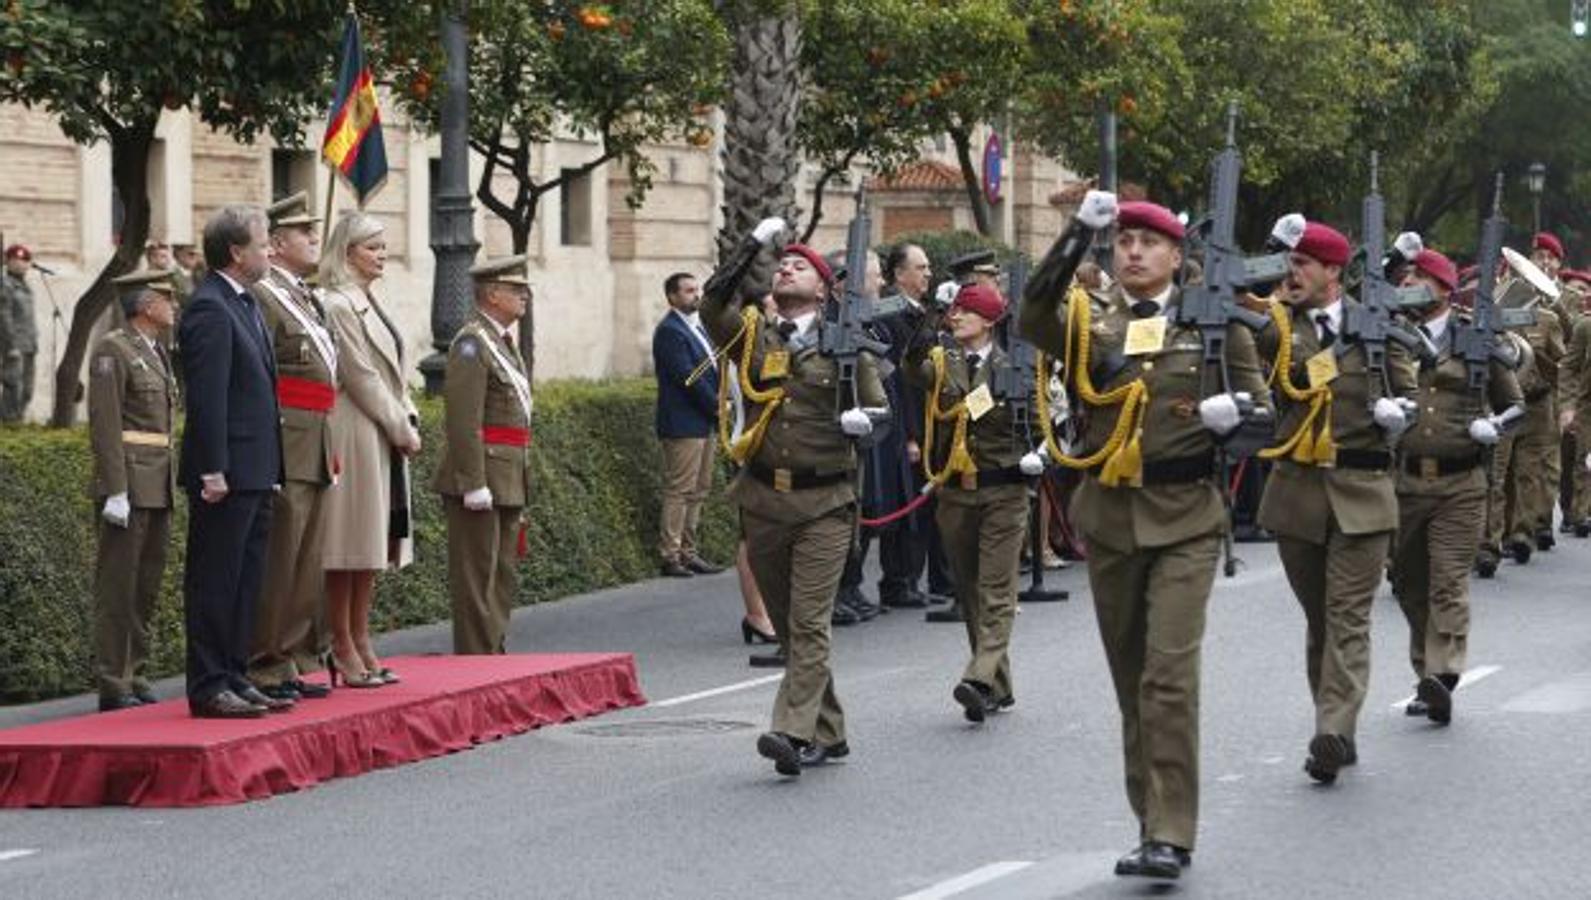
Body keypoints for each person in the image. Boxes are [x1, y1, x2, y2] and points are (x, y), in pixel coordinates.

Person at [1021, 193, 1270, 878]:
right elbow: (1031, 313)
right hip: (1108, 513)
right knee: (1131, 679)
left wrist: (1232, 419)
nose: (1132, 252)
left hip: (1186, 514)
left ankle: (1170, 831)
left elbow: (1264, 420)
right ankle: (1149, 821)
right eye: (1122, 241)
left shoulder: (1217, 326)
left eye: (1147, 243)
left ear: (1176, 256)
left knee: (1167, 676)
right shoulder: (1086, 323)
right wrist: (1076, 234)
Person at [700, 218, 889, 778]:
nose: (787, 267)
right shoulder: (753, 335)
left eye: (800, 264)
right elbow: (713, 305)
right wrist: (752, 246)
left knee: (808, 625)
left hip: (825, 503)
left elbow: (881, 414)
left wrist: (866, 421)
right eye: (783, 263)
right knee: (786, 625)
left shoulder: (848, 346)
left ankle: (792, 730)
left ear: (827, 288)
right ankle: (830, 730)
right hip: (762, 499)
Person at [1254, 220, 1418, 784]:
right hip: (1297, 493)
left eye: (1302, 264)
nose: (1290, 273)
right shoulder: (1277, 326)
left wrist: (1400, 415)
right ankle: (1335, 720)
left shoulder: (1377, 327)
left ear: (1333, 272)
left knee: (1348, 616)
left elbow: (1411, 393)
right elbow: (1252, 365)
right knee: (1320, 620)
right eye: (1287, 263)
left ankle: (1332, 727)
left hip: (1363, 495)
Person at [1391, 248, 1524, 725]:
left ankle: (1442, 676)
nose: (1408, 285)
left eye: (1419, 279)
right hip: (1405, 478)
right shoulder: (1392, 334)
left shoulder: (1476, 336)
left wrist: (1496, 425)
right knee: (1408, 583)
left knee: (1448, 581)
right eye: (1407, 278)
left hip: (1461, 482)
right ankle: (1424, 670)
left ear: (1443, 288)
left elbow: (1515, 404)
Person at [902, 282, 1041, 722]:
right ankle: (997, 687)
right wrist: (928, 317)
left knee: (996, 589)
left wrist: (1041, 454)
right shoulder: (944, 363)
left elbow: (1043, 423)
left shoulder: (1016, 364)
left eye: (965, 311)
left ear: (988, 320)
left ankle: (978, 677)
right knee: (970, 591)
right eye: (954, 311)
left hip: (1005, 489)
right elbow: (909, 367)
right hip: (956, 491)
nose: (956, 317)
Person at [178, 205, 289, 719]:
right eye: (264, 244)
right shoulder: (209, 308)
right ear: (235, 252)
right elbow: (208, 398)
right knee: (215, 579)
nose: (270, 251)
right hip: (226, 473)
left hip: (255, 468)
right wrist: (213, 468)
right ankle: (208, 683)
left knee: (246, 579)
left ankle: (235, 673)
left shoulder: (244, 302)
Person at [318, 211, 420, 686]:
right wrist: (401, 426)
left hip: (378, 427)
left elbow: (394, 373)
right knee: (349, 542)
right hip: (354, 427)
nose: (381, 255)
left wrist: (407, 414)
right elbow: (359, 376)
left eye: (382, 246)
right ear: (346, 252)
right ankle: (341, 641)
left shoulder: (367, 300)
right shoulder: (337, 303)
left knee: (373, 541)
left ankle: (360, 636)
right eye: (371, 246)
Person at [245, 193, 337, 701]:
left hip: (317, 437)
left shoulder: (305, 296)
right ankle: (264, 661)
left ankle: (294, 657)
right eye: (305, 233)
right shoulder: (264, 296)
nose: (314, 240)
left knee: (307, 560)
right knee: (281, 557)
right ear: (277, 245)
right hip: (288, 438)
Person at [433, 255, 534, 655]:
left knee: (502, 572)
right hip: (482, 476)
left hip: (507, 473)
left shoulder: (502, 342)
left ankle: (493, 646)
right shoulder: (473, 343)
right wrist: (473, 482)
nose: (524, 296)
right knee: (477, 575)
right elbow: (463, 419)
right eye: (515, 289)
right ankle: (477, 655)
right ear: (492, 295)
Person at [89, 271, 178, 711]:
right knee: (118, 587)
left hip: (157, 482)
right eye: (167, 297)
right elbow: (106, 426)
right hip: (129, 484)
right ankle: (113, 680)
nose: (174, 303)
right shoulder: (113, 349)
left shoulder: (156, 352)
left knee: (145, 585)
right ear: (145, 305)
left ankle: (136, 671)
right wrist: (115, 490)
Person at [652, 271, 726, 580]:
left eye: (697, 289)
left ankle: (689, 552)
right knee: (680, 489)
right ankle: (670, 555)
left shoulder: (699, 327)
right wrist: (719, 407)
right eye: (688, 291)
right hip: (683, 421)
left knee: (699, 489)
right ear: (672, 297)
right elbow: (688, 378)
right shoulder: (670, 330)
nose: (696, 295)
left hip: (703, 419)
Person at [1559, 270, 1591, 536]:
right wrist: (1568, 406)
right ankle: (1580, 514)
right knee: (1585, 460)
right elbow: (1568, 367)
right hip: (1587, 404)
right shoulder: (1585, 326)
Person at [1, 244, 39, 422]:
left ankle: (18, 421)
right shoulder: (6, 285)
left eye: (24, 261)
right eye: (16, 260)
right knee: (13, 386)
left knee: (27, 389)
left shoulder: (24, 285)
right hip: (14, 346)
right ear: (7, 262)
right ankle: (9, 424)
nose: (21, 264)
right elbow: (4, 316)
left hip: (29, 345)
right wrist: (11, 346)